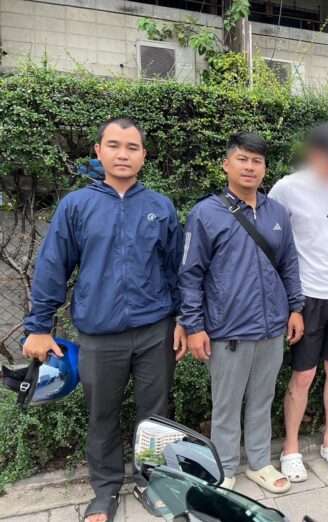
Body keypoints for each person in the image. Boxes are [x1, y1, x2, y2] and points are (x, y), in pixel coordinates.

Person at [22, 118, 186, 522]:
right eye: (114, 145)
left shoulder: (160, 207)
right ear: (98, 151)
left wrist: (184, 319)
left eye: (132, 147)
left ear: (144, 155)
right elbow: (53, 265)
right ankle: (106, 489)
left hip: (156, 331)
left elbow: (176, 270)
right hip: (99, 335)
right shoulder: (77, 206)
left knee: (156, 415)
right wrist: (39, 326)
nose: (123, 154)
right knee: (102, 415)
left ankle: (153, 481)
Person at [179, 132, 304, 494]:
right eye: (242, 159)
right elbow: (190, 274)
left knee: (262, 400)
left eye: (257, 161)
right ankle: (225, 467)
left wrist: (295, 308)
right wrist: (193, 326)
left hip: (272, 327)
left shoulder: (277, 212)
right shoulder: (206, 213)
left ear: (265, 168)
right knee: (226, 404)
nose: (250, 167)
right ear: (226, 165)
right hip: (228, 329)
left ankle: (260, 463)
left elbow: (289, 264)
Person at [269, 123, 328, 481]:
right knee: (304, 374)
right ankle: (290, 447)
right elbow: (275, 239)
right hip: (306, 294)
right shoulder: (287, 187)